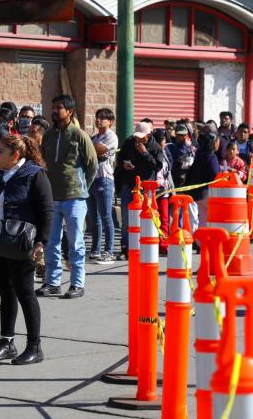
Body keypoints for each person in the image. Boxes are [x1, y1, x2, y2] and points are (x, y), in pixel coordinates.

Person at [0, 135, 52, 365]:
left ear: (15, 155)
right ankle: (6, 342)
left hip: (22, 245)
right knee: (6, 292)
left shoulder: (34, 174)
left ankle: (34, 346)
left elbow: (46, 210)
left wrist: (41, 242)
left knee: (25, 293)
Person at [37, 94, 98, 299]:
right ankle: (53, 283)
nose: (54, 111)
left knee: (76, 243)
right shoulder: (48, 136)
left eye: (59, 108)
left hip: (75, 198)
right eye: (53, 107)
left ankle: (77, 284)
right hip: (52, 197)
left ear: (69, 112)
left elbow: (92, 166)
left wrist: (81, 187)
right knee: (52, 242)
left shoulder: (80, 135)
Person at [114, 121, 162, 257]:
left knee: (146, 219)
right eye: (136, 136)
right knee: (126, 219)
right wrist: (124, 164)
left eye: (141, 136)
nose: (138, 139)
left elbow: (157, 166)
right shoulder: (129, 142)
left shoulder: (155, 147)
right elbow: (120, 157)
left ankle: (144, 246)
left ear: (148, 135)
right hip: (129, 185)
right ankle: (126, 247)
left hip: (146, 188)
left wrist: (145, 153)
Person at [87, 108, 119, 264]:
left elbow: (97, 151)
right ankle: (95, 250)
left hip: (104, 179)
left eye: (102, 118)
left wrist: (87, 147)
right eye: (97, 117)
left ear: (110, 121)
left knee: (106, 216)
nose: (98, 120)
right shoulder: (94, 137)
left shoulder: (111, 137)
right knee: (94, 218)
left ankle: (109, 251)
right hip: (91, 180)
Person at [186, 132, 220, 232]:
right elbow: (215, 175)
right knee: (207, 218)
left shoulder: (198, 154)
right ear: (214, 143)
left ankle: (198, 241)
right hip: (206, 193)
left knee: (199, 219)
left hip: (195, 192)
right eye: (218, 141)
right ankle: (202, 241)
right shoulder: (211, 156)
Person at [153, 129, 175, 252]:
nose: (165, 143)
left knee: (165, 218)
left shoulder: (165, 152)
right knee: (155, 218)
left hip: (164, 189)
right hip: (154, 190)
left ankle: (164, 243)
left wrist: (172, 189)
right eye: (163, 141)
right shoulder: (153, 152)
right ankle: (155, 241)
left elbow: (168, 172)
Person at [168, 123, 195, 190]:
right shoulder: (170, 147)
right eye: (179, 135)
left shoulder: (191, 148)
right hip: (173, 179)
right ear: (176, 134)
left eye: (183, 135)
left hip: (186, 180)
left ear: (186, 135)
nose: (180, 137)